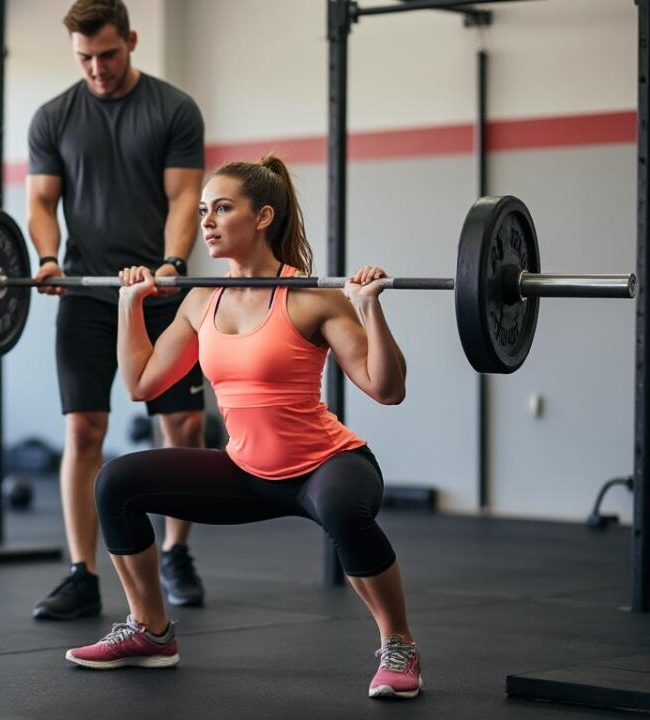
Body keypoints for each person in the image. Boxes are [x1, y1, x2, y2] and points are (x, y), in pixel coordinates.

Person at [64, 156, 422, 700]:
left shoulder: (309, 295)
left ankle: (399, 645)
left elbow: (387, 389)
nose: (206, 222)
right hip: (244, 470)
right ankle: (151, 632)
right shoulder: (201, 298)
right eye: (203, 210)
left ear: (262, 217)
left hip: (326, 465)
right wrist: (128, 305)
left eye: (222, 209)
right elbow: (141, 383)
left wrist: (370, 309)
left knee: (345, 513)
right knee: (116, 483)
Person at [27, 0, 209, 620]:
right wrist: (48, 258)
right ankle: (81, 572)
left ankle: (178, 551)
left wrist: (173, 263)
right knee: (83, 431)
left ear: (130, 40)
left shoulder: (173, 109)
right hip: (87, 291)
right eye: (85, 59)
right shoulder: (53, 116)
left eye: (107, 55)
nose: (98, 69)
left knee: (184, 428)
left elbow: (185, 196)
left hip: (161, 293)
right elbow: (41, 203)